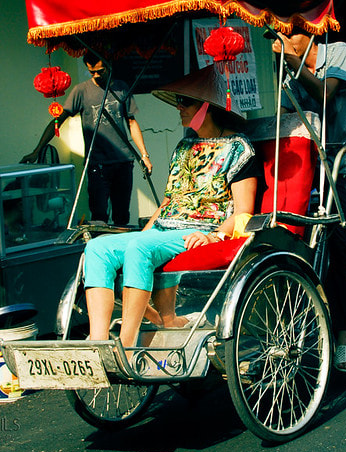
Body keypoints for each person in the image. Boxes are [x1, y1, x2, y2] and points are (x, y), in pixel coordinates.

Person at [83, 65, 259, 350]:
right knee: (97, 248)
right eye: (178, 101)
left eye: (185, 102)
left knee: (138, 249)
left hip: (199, 229)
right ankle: (98, 343)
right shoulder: (183, 146)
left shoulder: (239, 148)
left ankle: (125, 347)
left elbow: (243, 211)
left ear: (207, 107)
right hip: (166, 228)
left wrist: (214, 236)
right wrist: (144, 232)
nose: (179, 107)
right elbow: (168, 202)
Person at [272, 30, 346, 373]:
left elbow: (325, 96)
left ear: (304, 35)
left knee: (339, 244)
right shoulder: (290, 70)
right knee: (297, 239)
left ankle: (345, 337)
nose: (281, 42)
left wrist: (291, 61)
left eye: (285, 36)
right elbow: (290, 118)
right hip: (316, 167)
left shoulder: (338, 52)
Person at [21, 52, 153, 226]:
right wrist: (36, 150)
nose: (96, 75)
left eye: (100, 71)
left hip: (123, 160)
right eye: (92, 72)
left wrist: (144, 155)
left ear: (109, 66)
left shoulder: (121, 88)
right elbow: (58, 121)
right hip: (97, 163)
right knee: (99, 215)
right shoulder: (81, 91)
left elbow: (131, 122)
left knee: (122, 214)